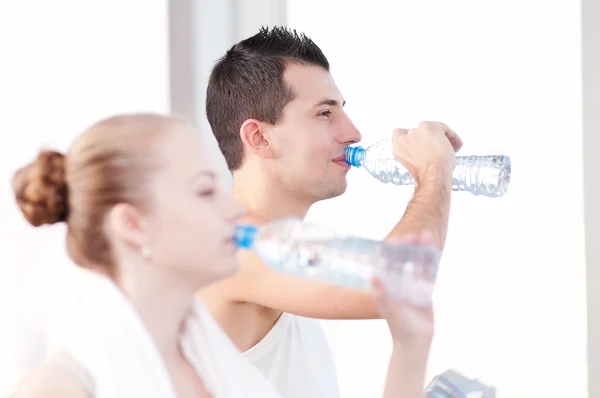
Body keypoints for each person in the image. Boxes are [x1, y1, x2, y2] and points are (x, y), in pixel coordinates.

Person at [11, 113, 437, 398]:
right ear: (133, 225)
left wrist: (410, 348)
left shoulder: (213, 369)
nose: (233, 208)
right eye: (203, 191)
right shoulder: (60, 389)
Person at [201, 26, 463, 397]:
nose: (353, 132)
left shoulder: (288, 265)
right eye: (324, 113)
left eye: (342, 111)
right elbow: (397, 284)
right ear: (259, 137)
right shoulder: (234, 248)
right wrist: (435, 174)